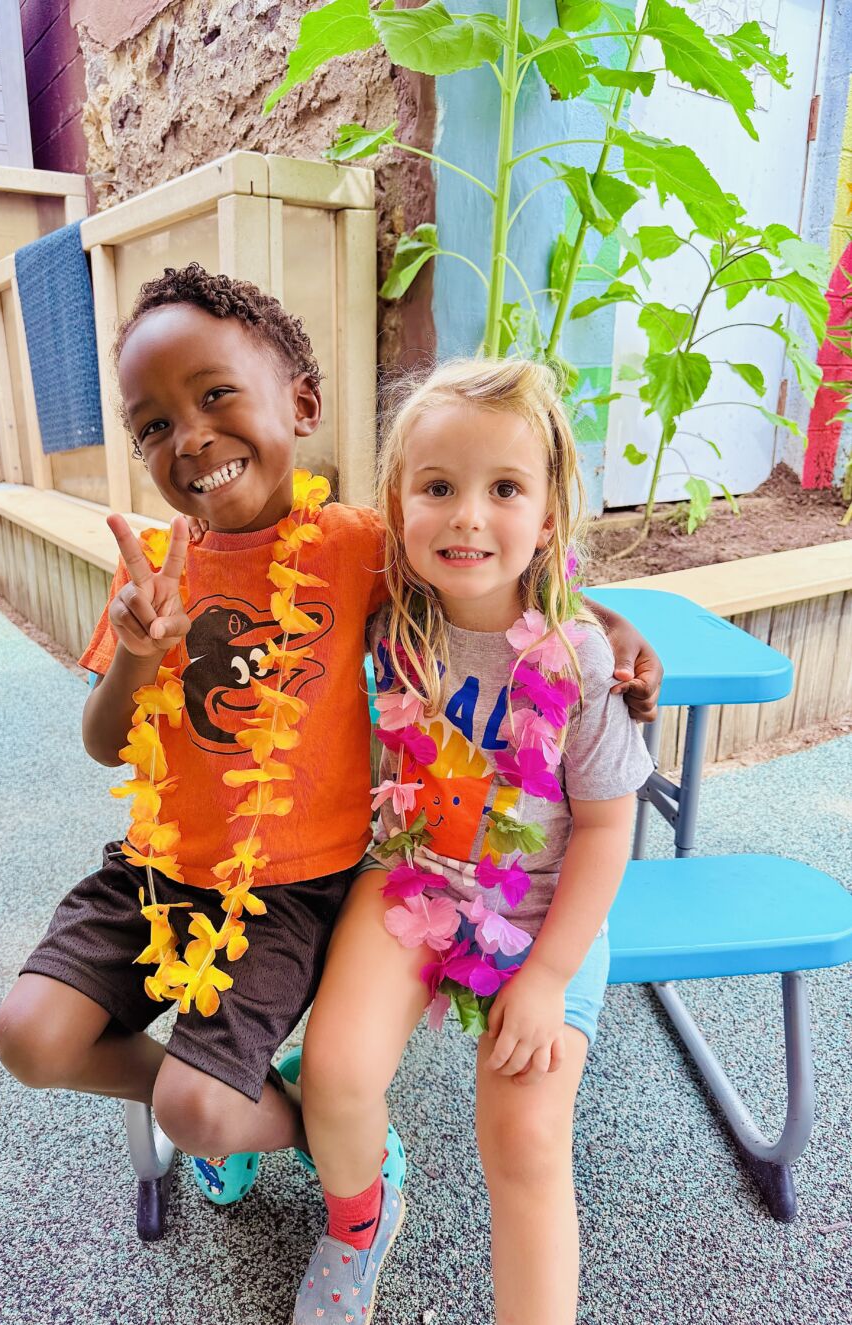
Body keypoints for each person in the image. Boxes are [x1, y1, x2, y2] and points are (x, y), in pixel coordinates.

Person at [0, 264, 659, 1227]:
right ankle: (301, 1118)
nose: (190, 437)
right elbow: (105, 742)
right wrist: (138, 655)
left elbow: (479, 557)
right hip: (156, 869)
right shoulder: (154, 573)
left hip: (289, 887)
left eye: (215, 395)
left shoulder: (353, 544)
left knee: (197, 1105)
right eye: (151, 424)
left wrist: (606, 621)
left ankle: (252, 1111)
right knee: (30, 1038)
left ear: (299, 402)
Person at [291, 359, 655, 1325]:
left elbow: (612, 825)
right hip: (414, 879)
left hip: (544, 917)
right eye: (438, 487)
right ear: (397, 504)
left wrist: (546, 976)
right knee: (335, 1072)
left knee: (525, 1142)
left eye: (504, 489)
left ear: (548, 515)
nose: (466, 516)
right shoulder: (389, 621)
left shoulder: (576, 658)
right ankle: (362, 1218)